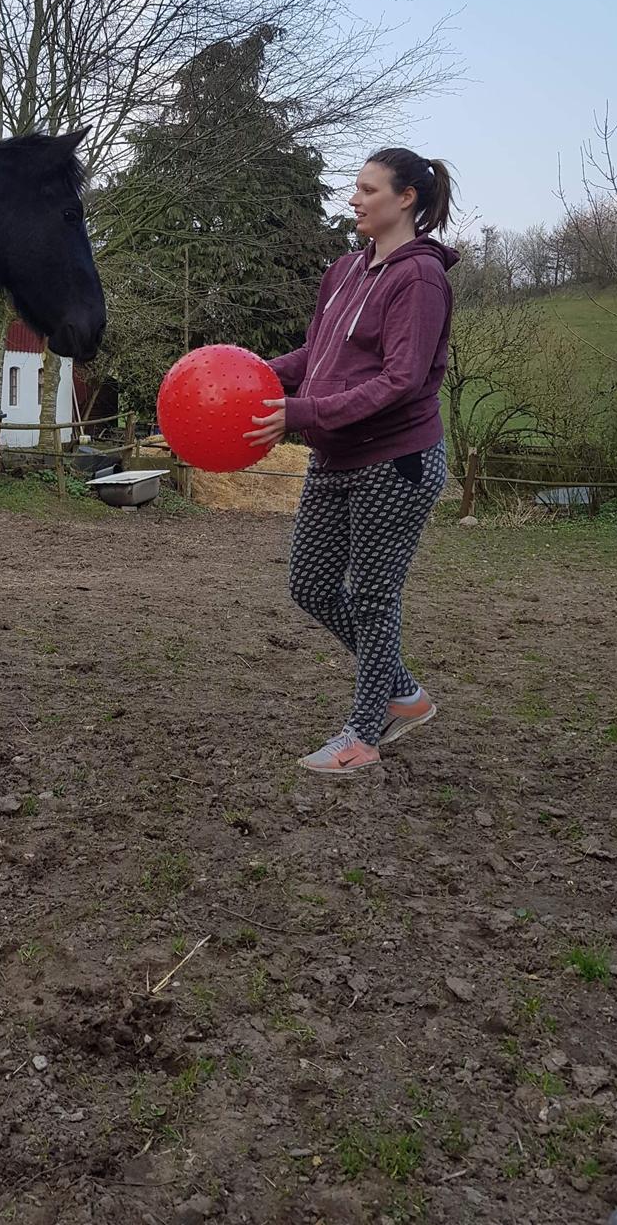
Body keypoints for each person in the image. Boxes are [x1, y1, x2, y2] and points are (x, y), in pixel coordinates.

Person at [244, 148, 458, 775]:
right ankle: (405, 693)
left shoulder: (419, 280)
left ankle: (367, 730)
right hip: (338, 455)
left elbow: (400, 380)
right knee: (309, 584)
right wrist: (247, 378)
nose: (355, 199)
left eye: (367, 189)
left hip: (396, 460)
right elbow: (316, 356)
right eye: (354, 188)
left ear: (406, 199)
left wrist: (301, 413)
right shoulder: (344, 270)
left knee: (372, 595)